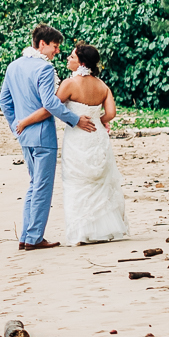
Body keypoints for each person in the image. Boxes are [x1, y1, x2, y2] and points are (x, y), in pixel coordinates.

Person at [0, 25, 95, 251]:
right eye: (55, 46)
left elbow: (4, 101)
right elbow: (50, 103)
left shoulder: (13, 67)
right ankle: (33, 238)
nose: (57, 51)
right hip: (43, 136)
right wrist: (74, 120)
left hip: (24, 136)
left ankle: (26, 236)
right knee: (42, 187)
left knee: (34, 185)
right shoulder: (43, 68)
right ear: (42, 44)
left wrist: (15, 126)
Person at [54, 41, 130, 245]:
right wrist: (99, 120)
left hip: (78, 136)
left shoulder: (69, 84)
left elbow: (54, 106)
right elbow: (111, 113)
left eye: (72, 56)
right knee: (99, 182)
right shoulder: (102, 86)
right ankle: (104, 229)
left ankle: (81, 233)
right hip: (97, 136)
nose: (68, 59)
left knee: (77, 182)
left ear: (82, 62)